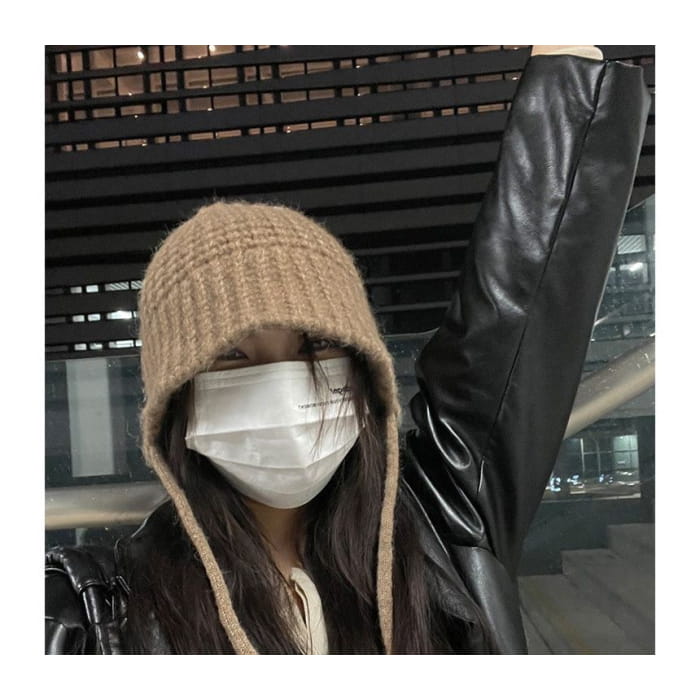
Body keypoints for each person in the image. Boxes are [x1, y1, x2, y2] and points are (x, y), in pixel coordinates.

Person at [45, 45, 652, 654]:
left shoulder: (442, 526)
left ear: (364, 370)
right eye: (232, 354)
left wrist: (567, 91)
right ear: (175, 399)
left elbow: (522, 309)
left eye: (316, 345)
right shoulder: (97, 613)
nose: (284, 383)